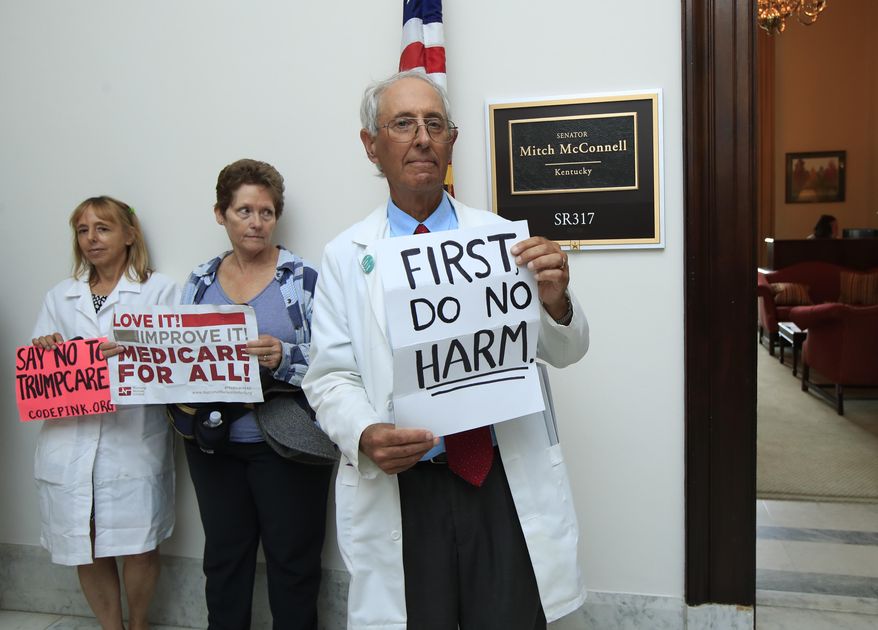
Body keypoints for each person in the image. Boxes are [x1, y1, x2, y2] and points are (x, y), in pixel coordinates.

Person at [302, 71, 590, 630]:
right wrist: (363, 434)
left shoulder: (504, 242)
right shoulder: (344, 257)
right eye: (403, 123)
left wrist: (556, 300)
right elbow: (329, 377)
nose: (422, 137)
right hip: (407, 488)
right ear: (372, 146)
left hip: (500, 484)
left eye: (434, 123)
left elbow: (565, 351)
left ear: (452, 140)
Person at [181, 159, 332, 630]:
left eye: (266, 212)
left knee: (293, 563)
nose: (256, 222)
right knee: (224, 561)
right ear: (220, 213)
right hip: (214, 444)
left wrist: (282, 355)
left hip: (288, 443)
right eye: (244, 211)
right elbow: (178, 355)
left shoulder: (303, 279)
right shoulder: (199, 281)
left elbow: (337, 362)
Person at [31, 196, 179, 630]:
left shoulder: (160, 291)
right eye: (83, 230)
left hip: (131, 436)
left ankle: (139, 625)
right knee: (85, 539)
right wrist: (48, 353)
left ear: (129, 235)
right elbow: (38, 371)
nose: (91, 239)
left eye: (103, 228)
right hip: (70, 438)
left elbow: (176, 365)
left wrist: (130, 354)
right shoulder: (61, 296)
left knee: (138, 542)